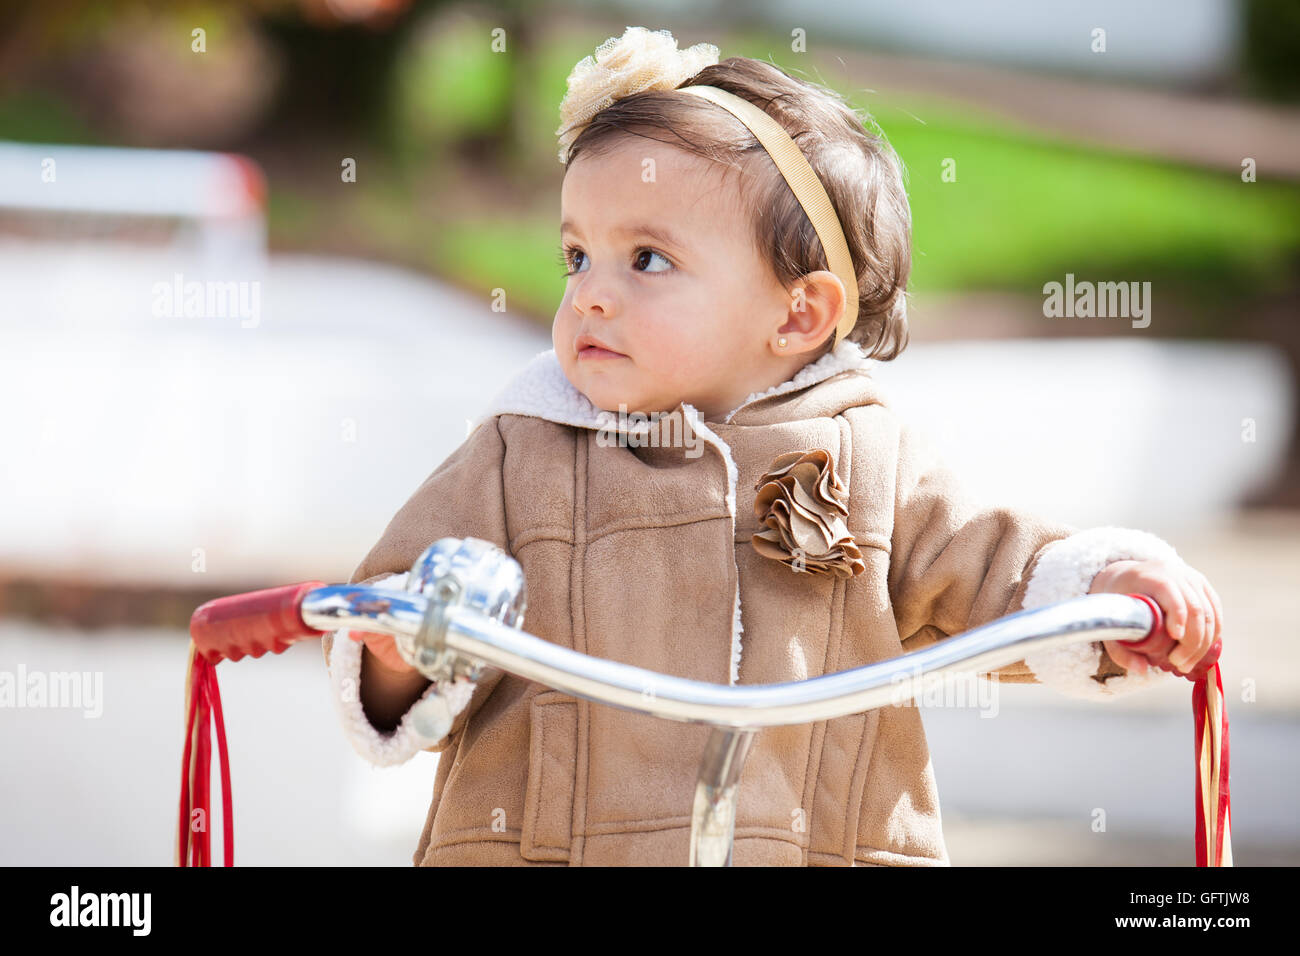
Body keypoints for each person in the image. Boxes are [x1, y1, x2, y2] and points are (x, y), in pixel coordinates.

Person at [321, 27, 1224, 866]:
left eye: (647, 260)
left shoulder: (867, 460)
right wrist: (402, 647)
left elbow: (999, 571)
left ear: (800, 313)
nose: (590, 295)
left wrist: (1103, 596)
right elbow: (394, 611)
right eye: (576, 257)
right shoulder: (522, 452)